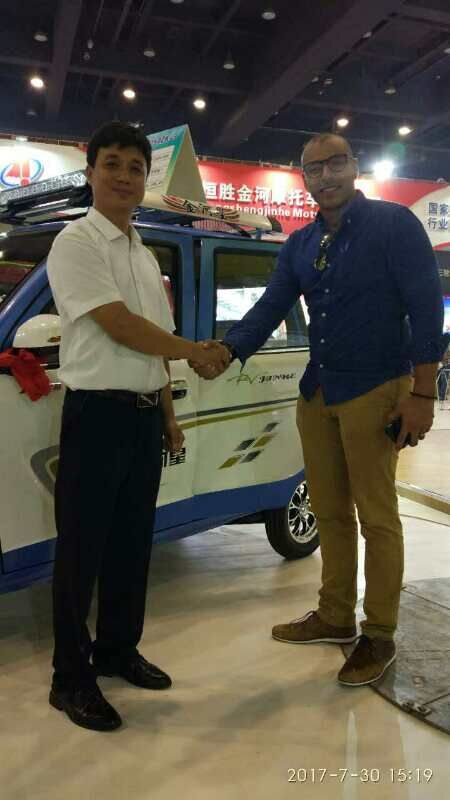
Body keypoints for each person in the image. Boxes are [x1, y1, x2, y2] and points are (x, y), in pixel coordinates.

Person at [192, 133, 448, 687]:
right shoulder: (301, 243)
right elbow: (271, 305)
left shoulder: (394, 225)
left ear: (354, 166)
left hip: (377, 388)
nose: (325, 176)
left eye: (335, 163)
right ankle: (335, 615)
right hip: (318, 393)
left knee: (377, 517)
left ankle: (379, 633)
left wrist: (423, 393)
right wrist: (228, 350)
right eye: (314, 168)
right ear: (304, 178)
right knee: (329, 511)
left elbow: (427, 306)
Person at [47, 121, 229, 731]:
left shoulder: (144, 254)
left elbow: (152, 343)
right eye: (113, 164)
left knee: (131, 543)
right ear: (91, 172)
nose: (124, 177)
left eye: (135, 167)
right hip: (96, 416)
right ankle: (69, 679)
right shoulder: (76, 242)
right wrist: (196, 351)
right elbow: (119, 325)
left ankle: (117, 650)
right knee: (81, 550)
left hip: (145, 418)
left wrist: (169, 414)